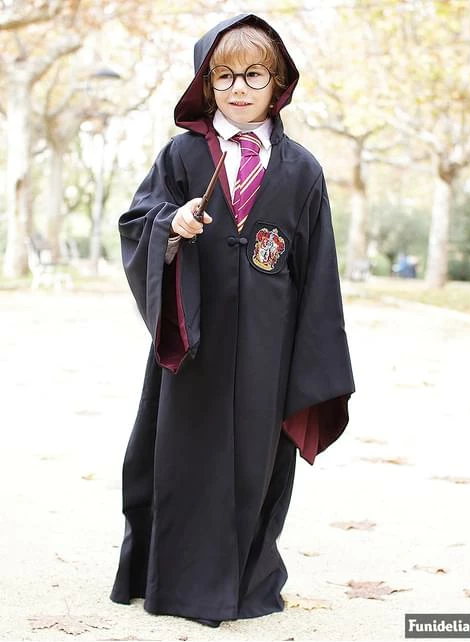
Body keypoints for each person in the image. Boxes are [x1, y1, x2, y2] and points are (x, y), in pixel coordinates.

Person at [111, 13, 355, 628]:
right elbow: (138, 222)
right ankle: (173, 582)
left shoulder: (302, 170)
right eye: (224, 76)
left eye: (253, 75)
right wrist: (171, 224)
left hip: (270, 347)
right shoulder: (182, 155)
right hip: (195, 339)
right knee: (180, 458)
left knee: (256, 463)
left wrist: (313, 366)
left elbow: (318, 270)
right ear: (206, 83)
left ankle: (247, 582)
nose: (239, 88)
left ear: (278, 83)